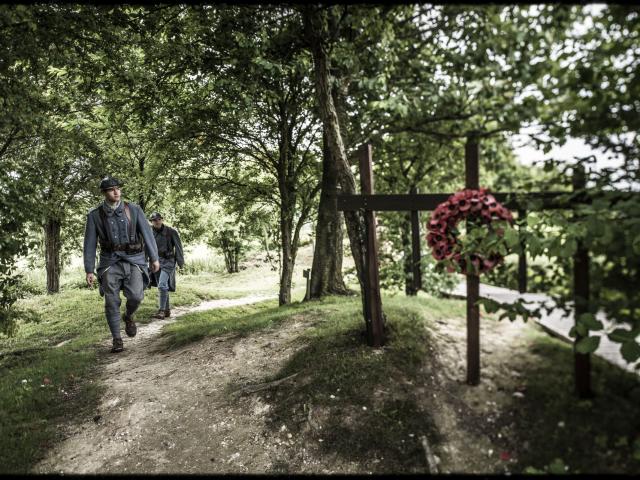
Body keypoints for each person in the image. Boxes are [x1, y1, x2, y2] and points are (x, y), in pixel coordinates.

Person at [83, 176, 160, 353]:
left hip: (134, 260)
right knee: (111, 302)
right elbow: (89, 243)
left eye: (118, 188)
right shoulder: (95, 215)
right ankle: (117, 339)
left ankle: (129, 315)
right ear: (104, 193)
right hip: (110, 263)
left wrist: (154, 258)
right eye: (111, 189)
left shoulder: (134, 209)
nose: (116, 192)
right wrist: (89, 269)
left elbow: (147, 234)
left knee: (136, 296)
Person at [148, 212, 185, 319]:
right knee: (163, 287)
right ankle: (167, 310)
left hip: (168, 261)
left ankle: (161, 311)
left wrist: (180, 262)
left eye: (159, 219)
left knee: (162, 285)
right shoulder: (149, 232)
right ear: (151, 222)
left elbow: (178, 247)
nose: (157, 221)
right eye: (154, 220)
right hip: (155, 262)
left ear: (162, 220)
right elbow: (146, 247)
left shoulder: (171, 231)